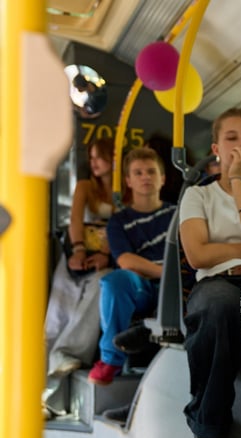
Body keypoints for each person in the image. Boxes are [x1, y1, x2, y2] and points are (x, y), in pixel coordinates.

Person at [179, 107, 241, 438]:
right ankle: (208, 425)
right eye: (231, 138)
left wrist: (239, 186)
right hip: (217, 282)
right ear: (217, 148)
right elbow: (199, 254)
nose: (240, 145)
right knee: (218, 307)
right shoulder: (197, 197)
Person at [87, 147, 177, 385]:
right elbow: (126, 260)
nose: (145, 177)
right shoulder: (119, 221)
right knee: (114, 281)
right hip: (146, 287)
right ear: (128, 180)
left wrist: (156, 271)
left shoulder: (178, 215)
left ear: (163, 178)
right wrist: (166, 273)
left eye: (151, 171)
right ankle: (111, 359)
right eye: (138, 173)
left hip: (181, 286)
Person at [43, 137, 117, 418]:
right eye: (93, 157)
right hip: (78, 255)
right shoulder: (87, 187)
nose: (94, 163)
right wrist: (77, 250)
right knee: (56, 320)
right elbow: (75, 219)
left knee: (82, 316)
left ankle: (53, 395)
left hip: (103, 262)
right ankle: (36, 392)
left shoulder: (125, 192)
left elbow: (121, 228)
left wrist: (107, 256)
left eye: (100, 157)